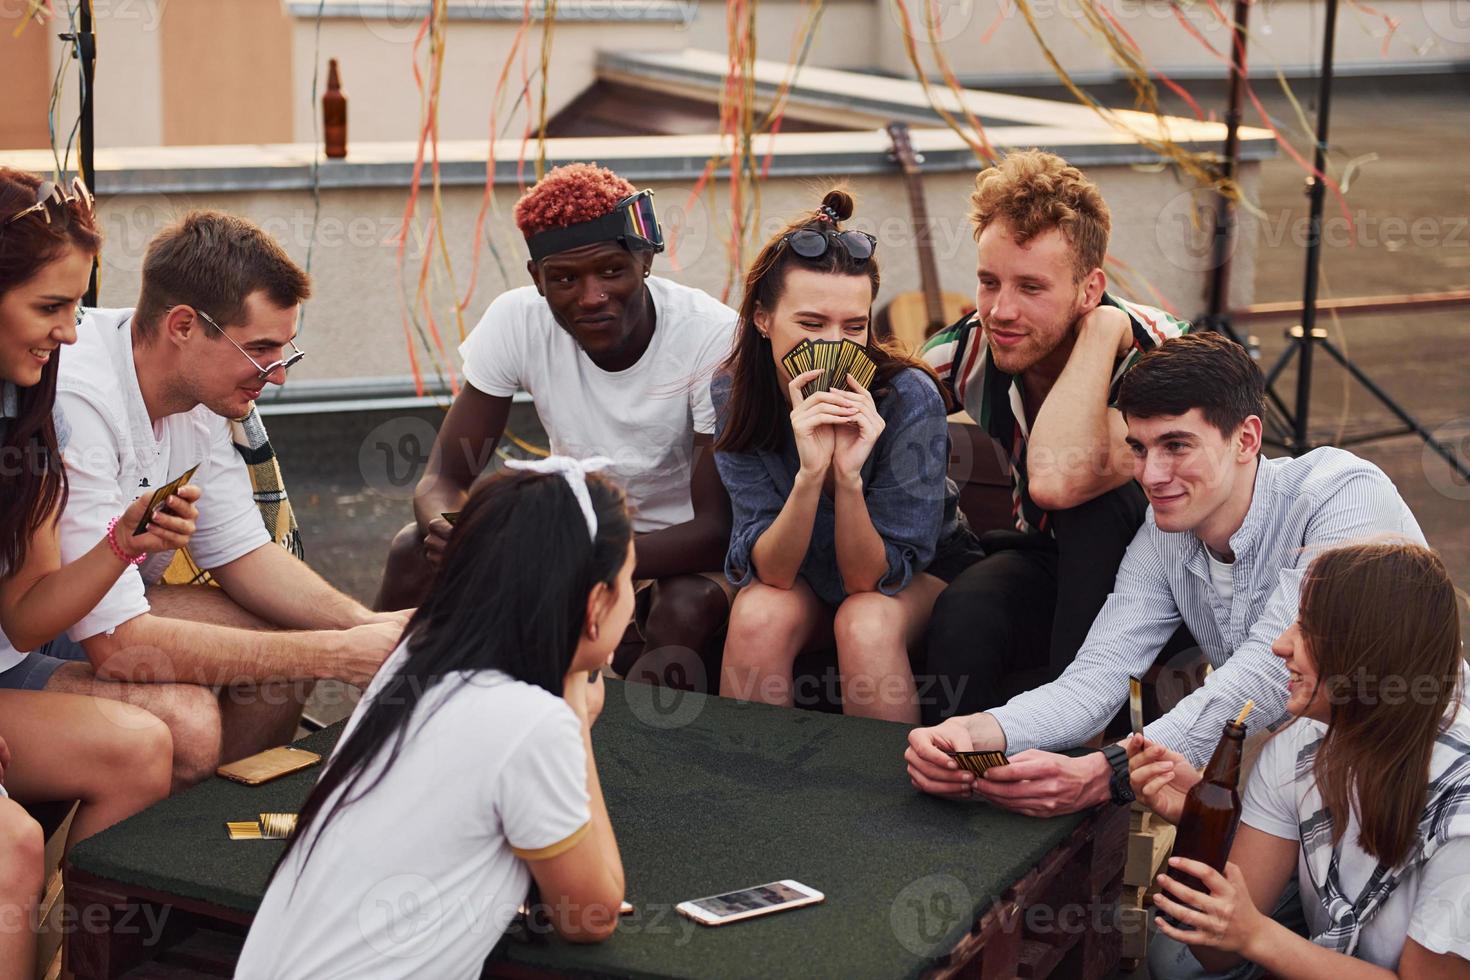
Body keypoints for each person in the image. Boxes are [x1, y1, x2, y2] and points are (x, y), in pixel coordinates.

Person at [905, 333, 1426, 816]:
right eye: (1139, 448)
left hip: (1415, 776)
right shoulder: (1164, 535)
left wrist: (1109, 771)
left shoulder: (1343, 492)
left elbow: (1263, 676)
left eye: (1176, 446)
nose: (1151, 476)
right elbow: (1096, 680)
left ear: (1246, 440)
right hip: (1288, 791)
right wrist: (978, 731)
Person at [21, 210, 404, 788]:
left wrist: (367, 627)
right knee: (190, 724)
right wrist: (338, 655)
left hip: (83, 615)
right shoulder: (78, 394)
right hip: (36, 634)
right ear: (182, 326)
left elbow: (242, 551)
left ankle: (219, 837)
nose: (276, 376)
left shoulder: (203, 390)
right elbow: (117, 645)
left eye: (285, 351)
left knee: (288, 645)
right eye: (261, 350)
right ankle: (147, 868)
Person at [237, 459, 629, 978]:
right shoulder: (533, 722)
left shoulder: (411, 662)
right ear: (596, 604)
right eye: (630, 580)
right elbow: (592, 914)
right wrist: (573, 699)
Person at [375, 163, 737, 688]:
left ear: (645, 259)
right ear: (537, 278)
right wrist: (457, 534)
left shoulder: (711, 338)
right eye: (565, 277)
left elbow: (716, 529)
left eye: (611, 270)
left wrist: (566, 558)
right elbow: (444, 479)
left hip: (679, 551)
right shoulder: (517, 319)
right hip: (575, 535)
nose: (590, 296)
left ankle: (652, 761)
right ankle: (379, 722)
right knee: (414, 551)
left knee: (685, 606)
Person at [920, 149, 1191, 724]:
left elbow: (1060, 481)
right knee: (966, 610)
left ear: (1090, 289)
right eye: (988, 282)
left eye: (1031, 288)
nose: (1001, 310)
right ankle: (955, 773)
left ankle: (1072, 758)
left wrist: (1102, 334)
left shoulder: (1160, 356)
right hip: (1048, 556)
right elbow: (881, 404)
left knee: (1094, 503)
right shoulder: (969, 347)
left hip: (1175, 578)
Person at [1132, 541, 1469, 978]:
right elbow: (1219, 950)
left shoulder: (1461, 807)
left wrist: (1258, 936)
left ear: (1366, 651)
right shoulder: (1301, 743)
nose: (1279, 645)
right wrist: (1201, 823)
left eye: (1307, 629)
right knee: (1175, 963)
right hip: (1343, 951)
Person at [713, 189, 982, 724]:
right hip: (802, 570)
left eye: (853, 327)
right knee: (758, 612)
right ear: (763, 318)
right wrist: (811, 475)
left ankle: (883, 803)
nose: (835, 347)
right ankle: (749, 795)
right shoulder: (736, 395)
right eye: (811, 326)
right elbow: (772, 571)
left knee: (864, 619)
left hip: (912, 575)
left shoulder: (908, 395)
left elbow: (871, 580)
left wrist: (848, 476)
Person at [0, 168, 174, 975]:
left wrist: (120, 545)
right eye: (48, 307)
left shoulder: (26, 408)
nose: (71, 332)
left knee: (142, 749)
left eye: (76, 306)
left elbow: (26, 618)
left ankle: (69, 966)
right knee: (13, 850)